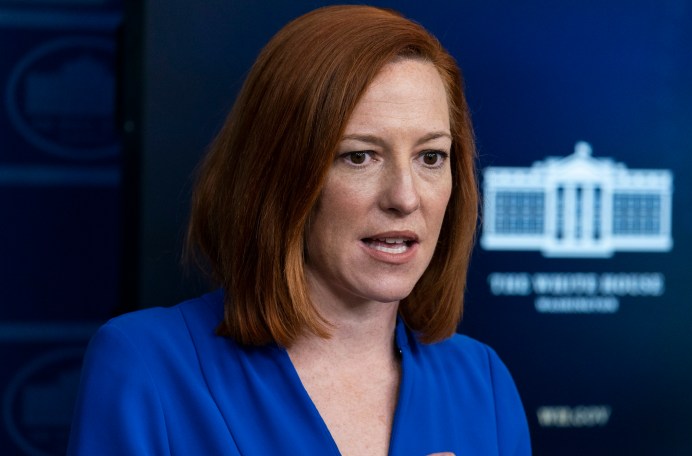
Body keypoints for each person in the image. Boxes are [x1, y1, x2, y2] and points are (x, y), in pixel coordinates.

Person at [67, 5, 531, 455]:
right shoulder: (146, 365)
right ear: (280, 175)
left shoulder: (483, 384)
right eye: (359, 156)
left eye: (431, 157)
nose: (405, 198)